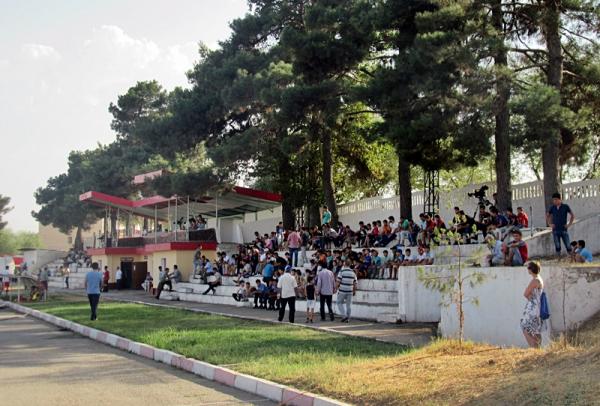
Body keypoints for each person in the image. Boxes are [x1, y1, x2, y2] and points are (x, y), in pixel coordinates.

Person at [520, 262, 544, 348]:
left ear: (531, 269)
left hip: (532, 307)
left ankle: (533, 347)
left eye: (528, 268)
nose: (527, 269)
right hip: (538, 307)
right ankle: (537, 347)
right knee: (536, 329)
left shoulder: (534, 280)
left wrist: (530, 296)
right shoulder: (540, 279)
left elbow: (526, 293)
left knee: (524, 326)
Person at [546, 192, 575, 257]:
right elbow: (547, 215)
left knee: (568, 245)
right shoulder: (552, 207)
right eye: (553, 200)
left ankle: (572, 257)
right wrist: (550, 224)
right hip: (555, 230)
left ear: (560, 199)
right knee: (557, 246)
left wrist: (569, 224)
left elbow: (572, 215)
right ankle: (558, 259)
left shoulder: (565, 206)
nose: (554, 201)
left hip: (563, 229)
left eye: (556, 199)